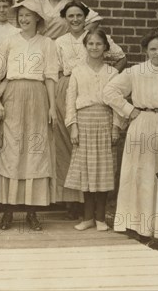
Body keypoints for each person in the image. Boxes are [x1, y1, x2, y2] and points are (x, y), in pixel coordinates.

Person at [102, 28, 158, 249]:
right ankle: (140, 229)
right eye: (153, 49)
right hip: (141, 127)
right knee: (141, 177)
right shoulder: (135, 72)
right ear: (146, 51)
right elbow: (109, 92)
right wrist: (129, 110)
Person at [0, 0, 58, 231]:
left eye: (28, 15)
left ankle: (32, 212)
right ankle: (8, 211)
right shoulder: (9, 42)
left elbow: (50, 77)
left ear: (37, 18)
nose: (24, 19)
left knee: (35, 150)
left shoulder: (47, 44)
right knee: (12, 149)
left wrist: (51, 106)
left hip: (38, 96)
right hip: (13, 94)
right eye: (20, 16)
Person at [54, 1, 127, 216]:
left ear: (85, 17)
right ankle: (73, 202)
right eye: (70, 16)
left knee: (94, 155)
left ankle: (91, 208)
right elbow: (55, 70)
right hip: (69, 87)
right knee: (69, 146)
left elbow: (121, 57)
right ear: (65, 18)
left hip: (97, 93)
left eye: (79, 15)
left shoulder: (95, 36)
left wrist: (110, 78)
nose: (75, 19)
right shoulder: (60, 41)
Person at [65, 28, 120, 231]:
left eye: (98, 44)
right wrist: (73, 127)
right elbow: (70, 100)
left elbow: (117, 103)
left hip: (104, 121)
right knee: (86, 170)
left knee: (103, 170)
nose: (94, 47)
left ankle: (101, 218)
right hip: (84, 121)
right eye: (90, 44)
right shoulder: (78, 72)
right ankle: (87, 217)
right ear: (85, 46)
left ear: (105, 47)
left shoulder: (112, 73)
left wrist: (115, 127)